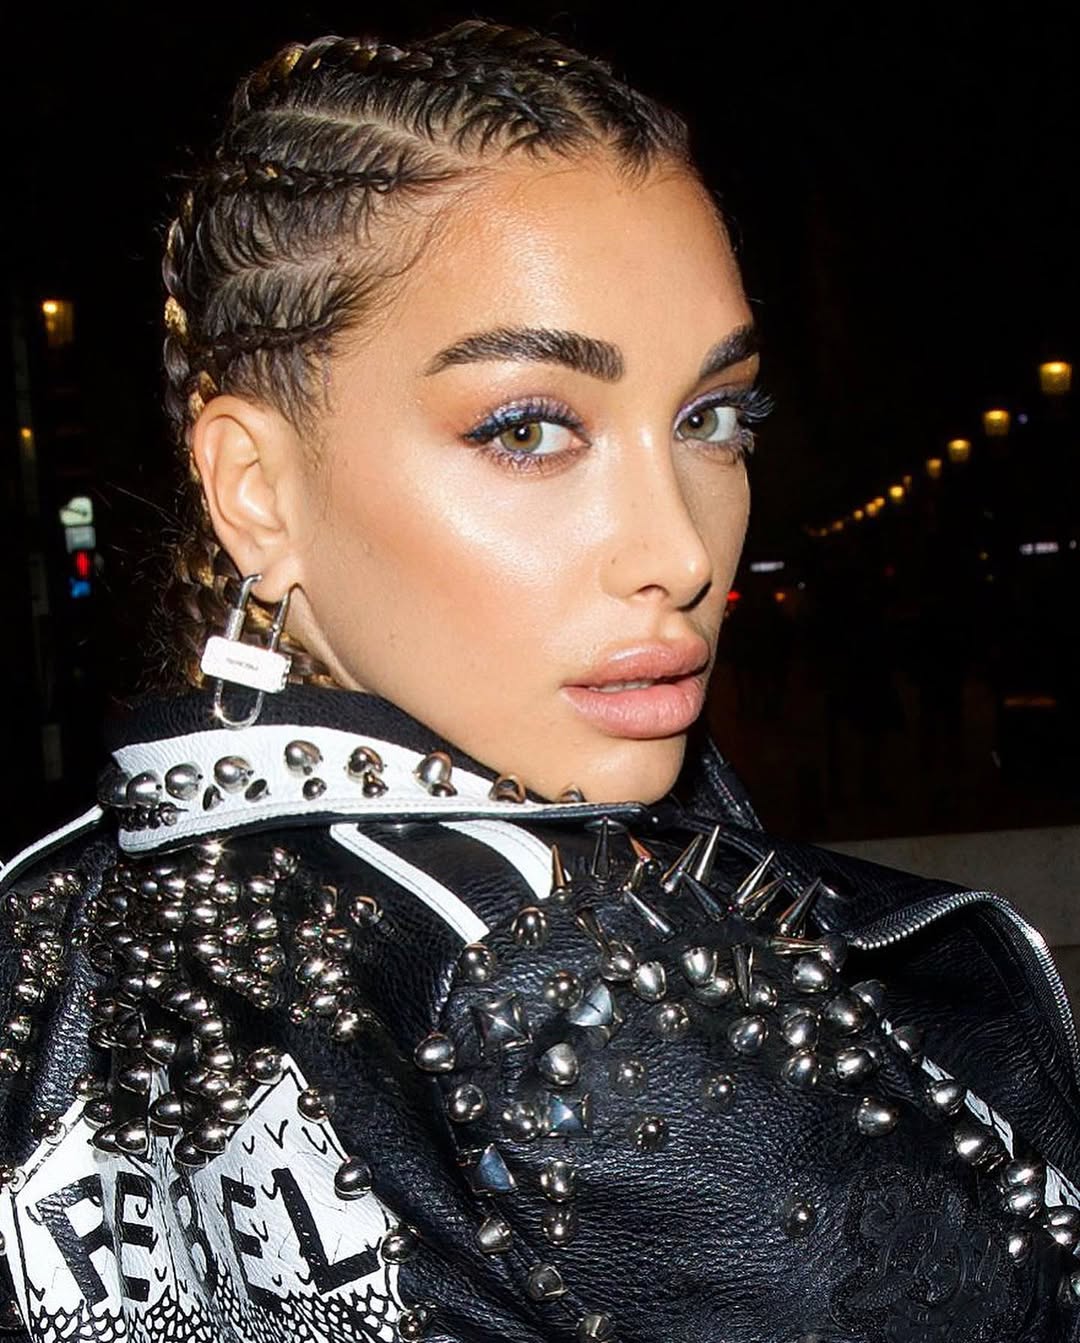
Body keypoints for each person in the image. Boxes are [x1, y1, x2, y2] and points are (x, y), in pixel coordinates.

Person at [1, 21, 1078, 1343]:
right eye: (527, 429)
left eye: (712, 419)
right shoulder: (598, 999)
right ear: (257, 490)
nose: (682, 552)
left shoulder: (51, 910)